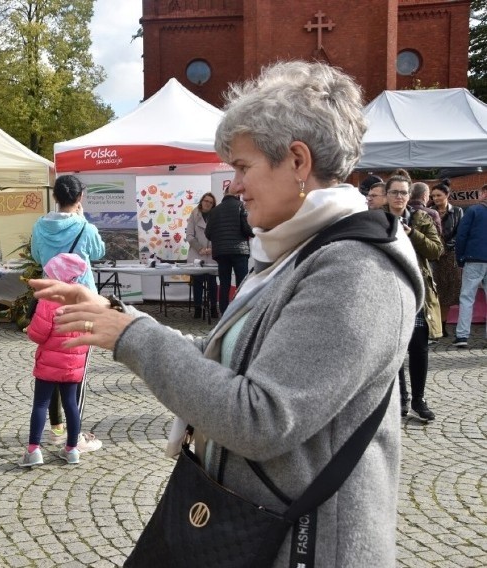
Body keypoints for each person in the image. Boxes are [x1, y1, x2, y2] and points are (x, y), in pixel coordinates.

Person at [30, 61, 422, 567]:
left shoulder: (356, 270)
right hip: (256, 527)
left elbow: (259, 417)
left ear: (298, 161)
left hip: (306, 545)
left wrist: (135, 336)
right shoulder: (298, 252)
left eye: (242, 166)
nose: (233, 186)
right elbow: (229, 360)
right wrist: (115, 314)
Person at [30, 174, 105, 453]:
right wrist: (85, 222)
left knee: (49, 364)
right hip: (81, 301)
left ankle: (56, 427)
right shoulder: (83, 227)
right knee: (75, 369)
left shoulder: (40, 225)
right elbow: (98, 251)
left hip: (50, 299)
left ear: (55, 197)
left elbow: (38, 256)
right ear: (80, 198)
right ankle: (77, 438)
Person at [19, 253, 91, 467]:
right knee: (71, 404)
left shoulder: (48, 299)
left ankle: (33, 450)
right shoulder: (83, 296)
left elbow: (39, 333)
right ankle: (72, 450)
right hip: (73, 362)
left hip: (50, 361)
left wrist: (29, 330)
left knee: (41, 403)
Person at [384, 175, 443, 420]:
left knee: (418, 348)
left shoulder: (420, 218)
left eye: (403, 193)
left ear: (410, 196)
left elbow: (436, 250)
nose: (399, 197)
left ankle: (419, 398)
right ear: (387, 195)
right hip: (386, 291)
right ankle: (401, 398)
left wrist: (412, 234)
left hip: (416, 292)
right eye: (395, 192)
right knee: (394, 349)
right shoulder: (377, 219)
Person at [204, 181, 253, 315]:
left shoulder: (214, 211)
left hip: (221, 253)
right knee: (241, 283)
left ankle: (224, 313)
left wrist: (219, 238)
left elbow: (208, 233)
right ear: (237, 195)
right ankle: (238, 313)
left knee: (224, 284)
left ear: (224, 194)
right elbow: (247, 229)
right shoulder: (241, 207)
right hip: (239, 251)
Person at [453, 184, 487, 348]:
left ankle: (462, 336)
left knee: (467, 297)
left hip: (474, 258)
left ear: (483, 194)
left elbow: (462, 235)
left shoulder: (473, 211)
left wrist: (460, 258)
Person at [430, 181, 464, 336]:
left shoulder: (457, 211)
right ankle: (433, 325)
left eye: (439, 195)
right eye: (433, 196)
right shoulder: (429, 211)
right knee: (433, 292)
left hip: (449, 256)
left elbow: (460, 234)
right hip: (432, 255)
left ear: (447, 195)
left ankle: (442, 325)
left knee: (448, 293)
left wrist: (447, 246)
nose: (436, 198)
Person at [185, 192, 219, 319]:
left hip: (211, 253)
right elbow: (189, 235)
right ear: (201, 201)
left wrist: (212, 248)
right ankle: (198, 308)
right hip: (197, 253)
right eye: (206, 200)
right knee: (198, 281)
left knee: (212, 282)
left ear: (213, 205)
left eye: (210, 202)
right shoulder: (194, 214)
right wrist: (200, 249)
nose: (208, 203)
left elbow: (220, 235)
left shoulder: (217, 215)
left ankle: (213, 308)